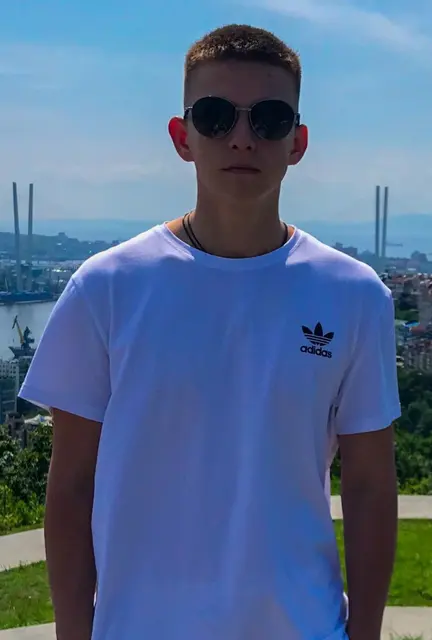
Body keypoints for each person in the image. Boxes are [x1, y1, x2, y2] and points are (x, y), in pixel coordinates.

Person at [19, 24, 400, 640]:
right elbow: (70, 487)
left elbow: (370, 485)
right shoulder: (107, 287)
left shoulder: (354, 295)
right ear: (182, 136)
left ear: (298, 142)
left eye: (270, 119)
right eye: (217, 116)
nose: (242, 138)